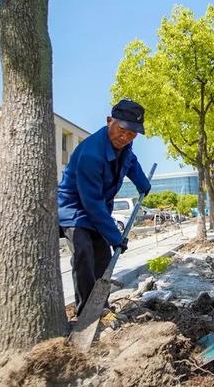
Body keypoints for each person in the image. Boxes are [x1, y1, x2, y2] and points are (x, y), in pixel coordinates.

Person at [58, 99, 151, 316]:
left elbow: (131, 162)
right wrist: (115, 236)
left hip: (97, 209)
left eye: (132, 134)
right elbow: (91, 203)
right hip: (75, 209)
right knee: (84, 255)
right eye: (123, 130)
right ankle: (84, 312)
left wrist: (143, 183)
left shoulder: (125, 145)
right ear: (110, 121)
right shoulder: (91, 153)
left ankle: (101, 306)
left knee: (103, 258)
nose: (126, 137)